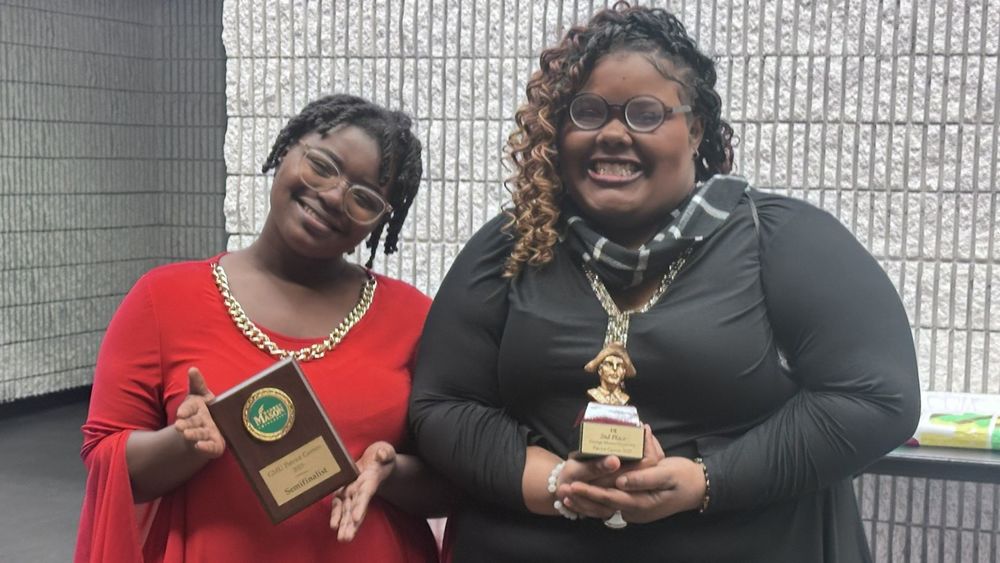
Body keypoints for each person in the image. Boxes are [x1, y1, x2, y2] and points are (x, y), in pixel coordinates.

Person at [409, 4, 920, 562]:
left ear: (694, 129)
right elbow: (443, 403)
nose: (612, 134)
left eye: (645, 114)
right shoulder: (514, 246)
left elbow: (877, 396)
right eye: (587, 112)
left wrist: (707, 479)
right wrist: (553, 481)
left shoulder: (778, 240)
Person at [76, 94, 447, 562]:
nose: (334, 197)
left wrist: (389, 472)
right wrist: (184, 443)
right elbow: (105, 458)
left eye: (364, 199)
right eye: (322, 166)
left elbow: (452, 482)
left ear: (380, 221)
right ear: (286, 150)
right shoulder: (162, 299)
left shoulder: (413, 318)